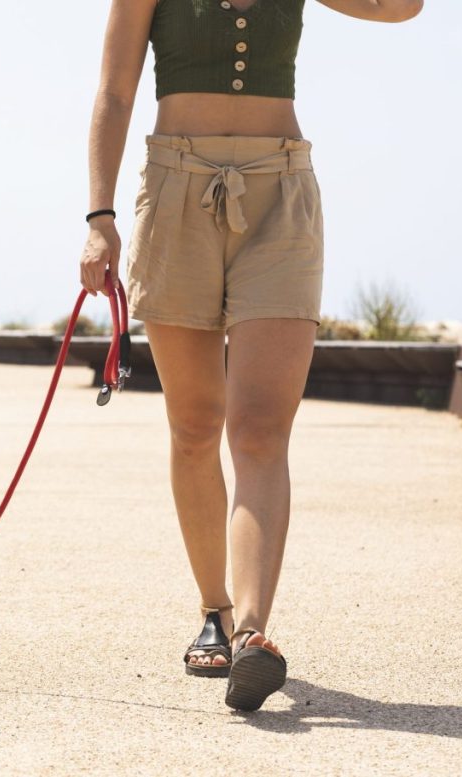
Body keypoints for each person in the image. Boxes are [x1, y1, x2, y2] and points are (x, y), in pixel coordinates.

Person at [79, 0, 423, 711]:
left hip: (281, 191)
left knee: (262, 426)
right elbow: (115, 91)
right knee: (196, 426)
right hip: (174, 190)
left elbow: (404, 7)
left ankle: (254, 632)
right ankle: (217, 608)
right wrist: (100, 218)